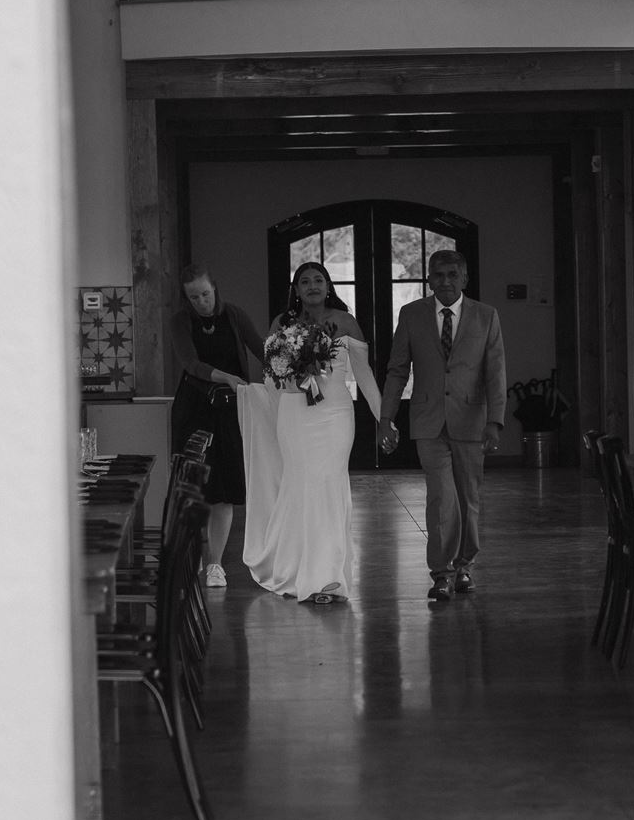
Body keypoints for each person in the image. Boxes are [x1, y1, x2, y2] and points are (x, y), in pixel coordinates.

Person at [237, 261, 378, 606]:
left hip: (334, 416)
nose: (312, 285)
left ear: (328, 286)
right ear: (296, 290)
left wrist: (383, 417)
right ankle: (299, 568)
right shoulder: (282, 325)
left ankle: (328, 576)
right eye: (304, 281)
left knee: (329, 485)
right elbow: (271, 375)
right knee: (300, 485)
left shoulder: (346, 322)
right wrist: (285, 381)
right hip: (294, 415)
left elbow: (364, 376)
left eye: (318, 279)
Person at [378, 249, 507, 603]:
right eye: (438, 275)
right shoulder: (412, 314)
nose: (445, 281)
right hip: (428, 420)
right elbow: (397, 369)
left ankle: (465, 565)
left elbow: (495, 373)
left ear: (464, 279)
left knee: (469, 497)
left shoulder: (486, 316)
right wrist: (385, 418)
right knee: (440, 498)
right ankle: (442, 572)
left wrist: (495, 421)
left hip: (472, 420)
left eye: (453, 275)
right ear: (429, 279)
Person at [168, 264, 267, 587]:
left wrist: (287, 366)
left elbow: (261, 349)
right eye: (194, 297)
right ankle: (193, 552)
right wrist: (225, 377)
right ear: (186, 299)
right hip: (194, 409)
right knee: (195, 486)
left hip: (229, 410)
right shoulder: (180, 321)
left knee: (223, 490)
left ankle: (215, 564)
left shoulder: (234, 315)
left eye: (206, 294)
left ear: (216, 289)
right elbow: (190, 363)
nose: (201, 302)